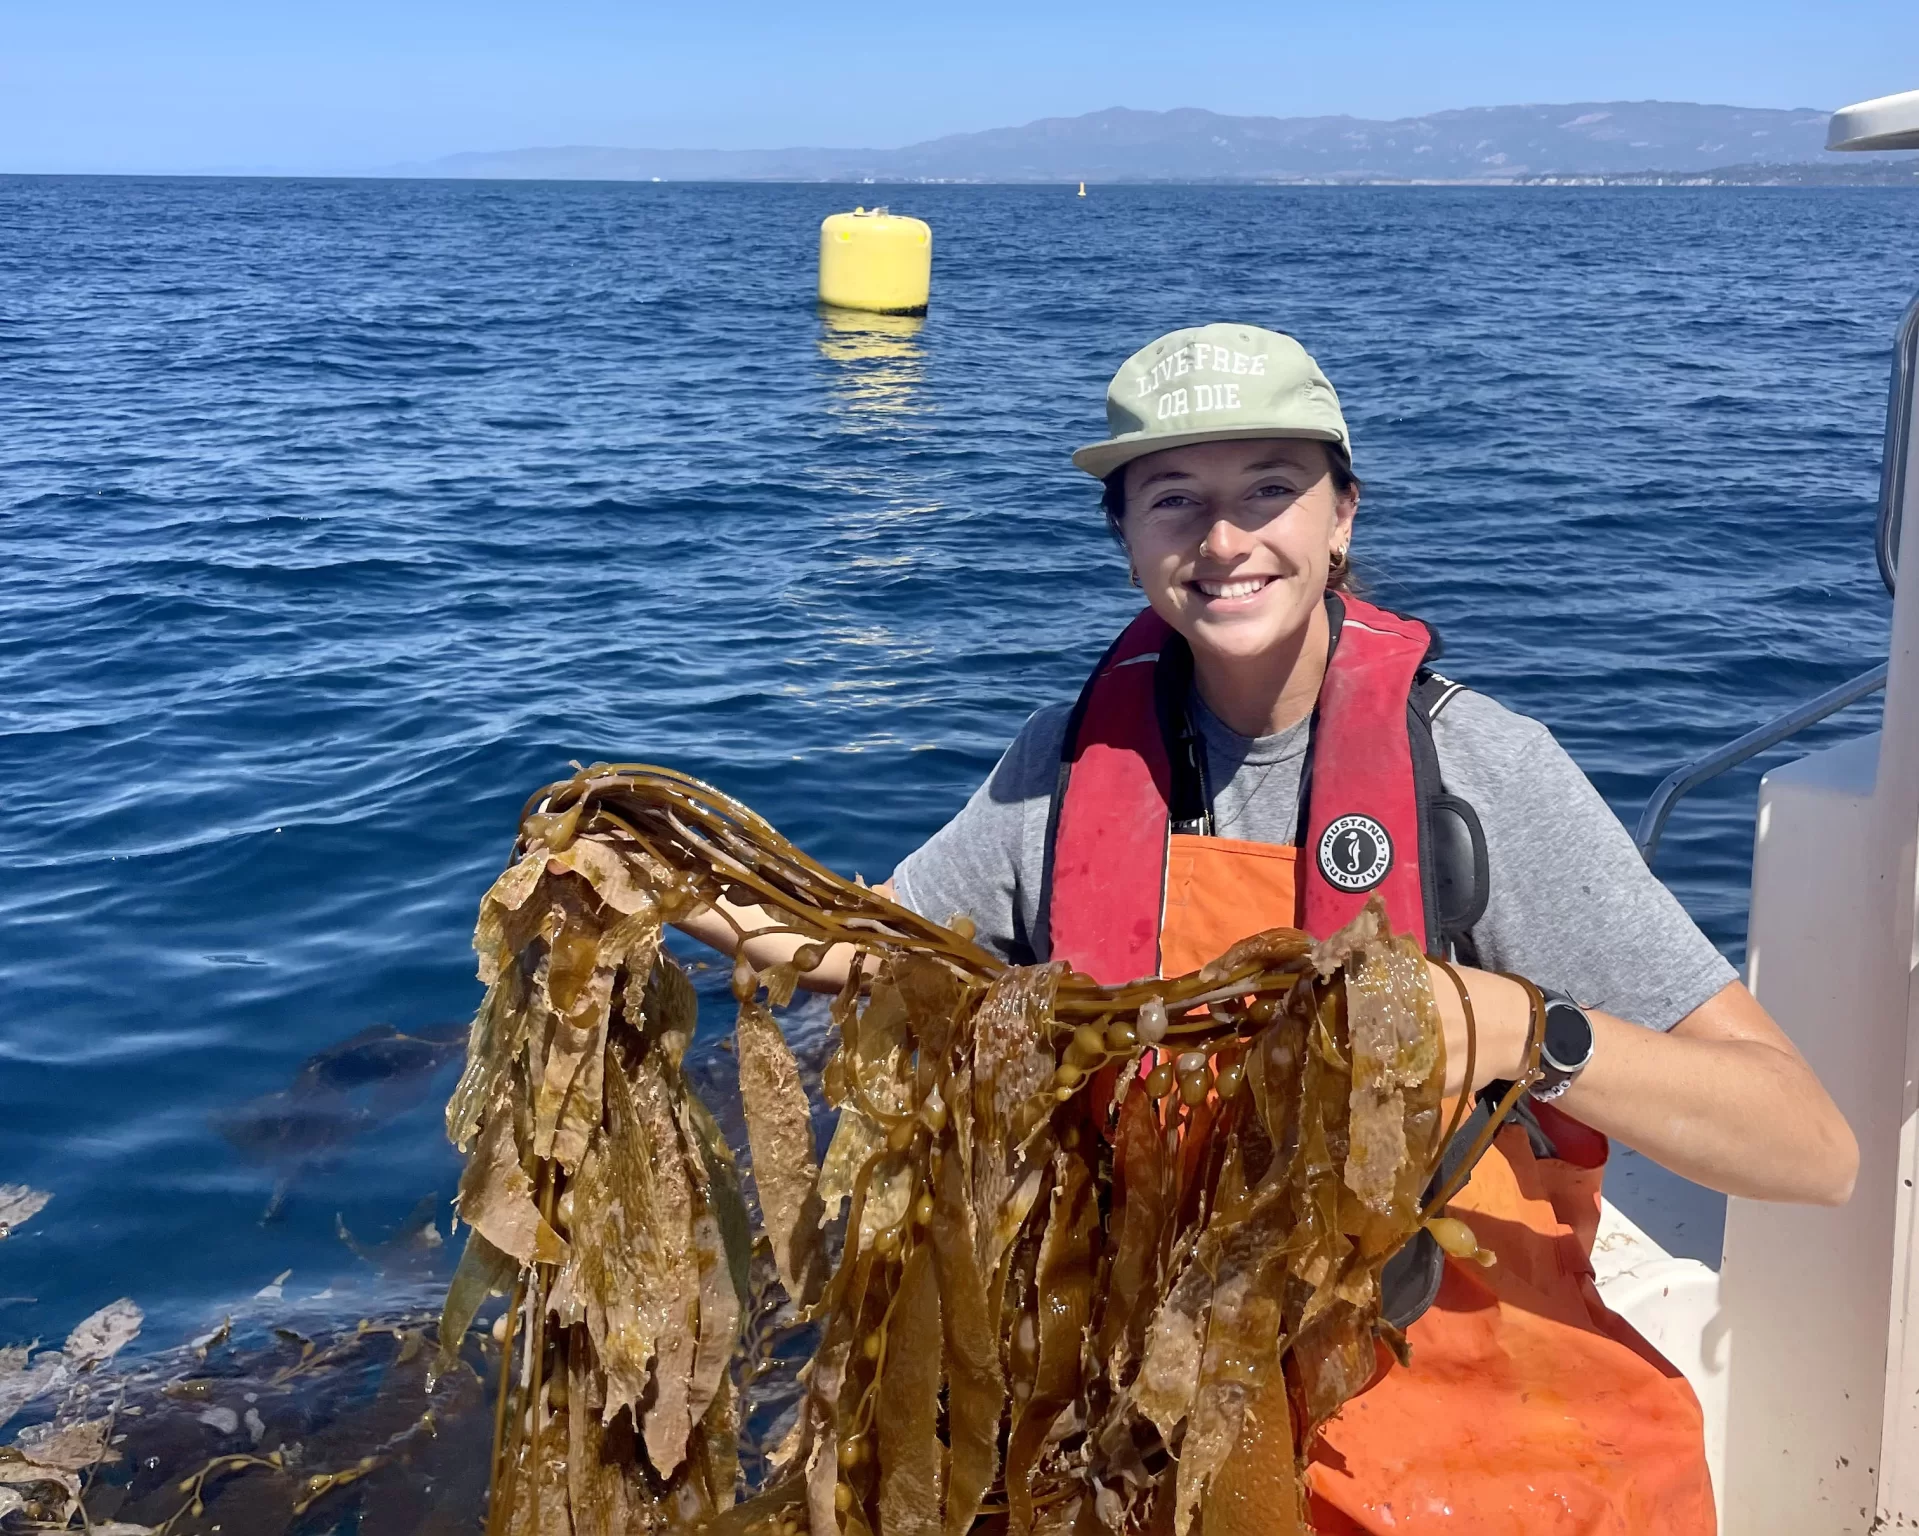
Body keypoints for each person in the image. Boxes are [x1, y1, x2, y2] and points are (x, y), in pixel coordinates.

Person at [679, 322, 1857, 1532]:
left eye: (1270, 490)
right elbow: (870, 950)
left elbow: (1808, 1148)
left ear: (1341, 518)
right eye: (1173, 498)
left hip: (1464, 1400)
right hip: (1158, 1392)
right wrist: (658, 877)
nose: (1223, 538)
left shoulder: (1477, 772)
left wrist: (1519, 1025)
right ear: (1126, 540)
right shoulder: (1062, 767)